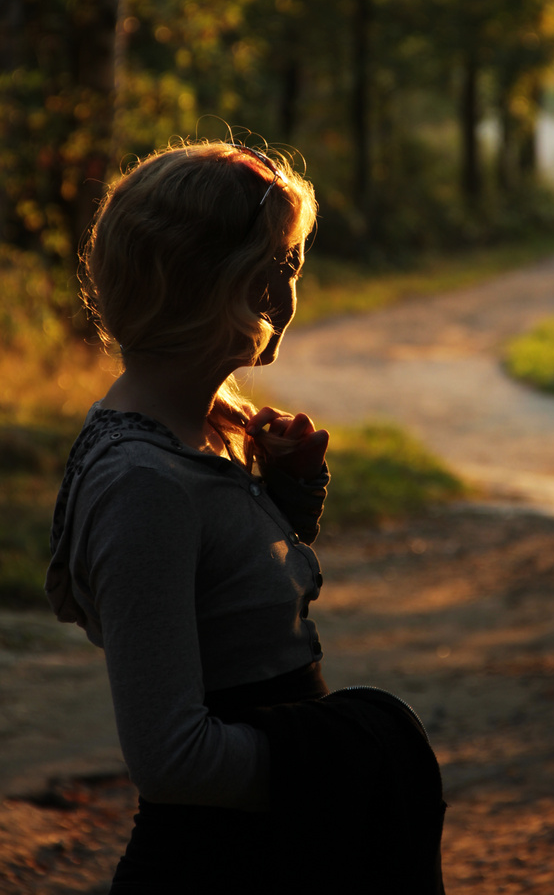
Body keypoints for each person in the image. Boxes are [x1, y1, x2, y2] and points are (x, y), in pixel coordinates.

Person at [46, 139, 446, 895]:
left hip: (269, 847)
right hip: (226, 867)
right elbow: (172, 759)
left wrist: (289, 497)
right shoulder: (145, 484)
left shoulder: (198, 432)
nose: (291, 287)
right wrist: (354, 756)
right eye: (285, 262)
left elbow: (231, 605)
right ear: (226, 283)